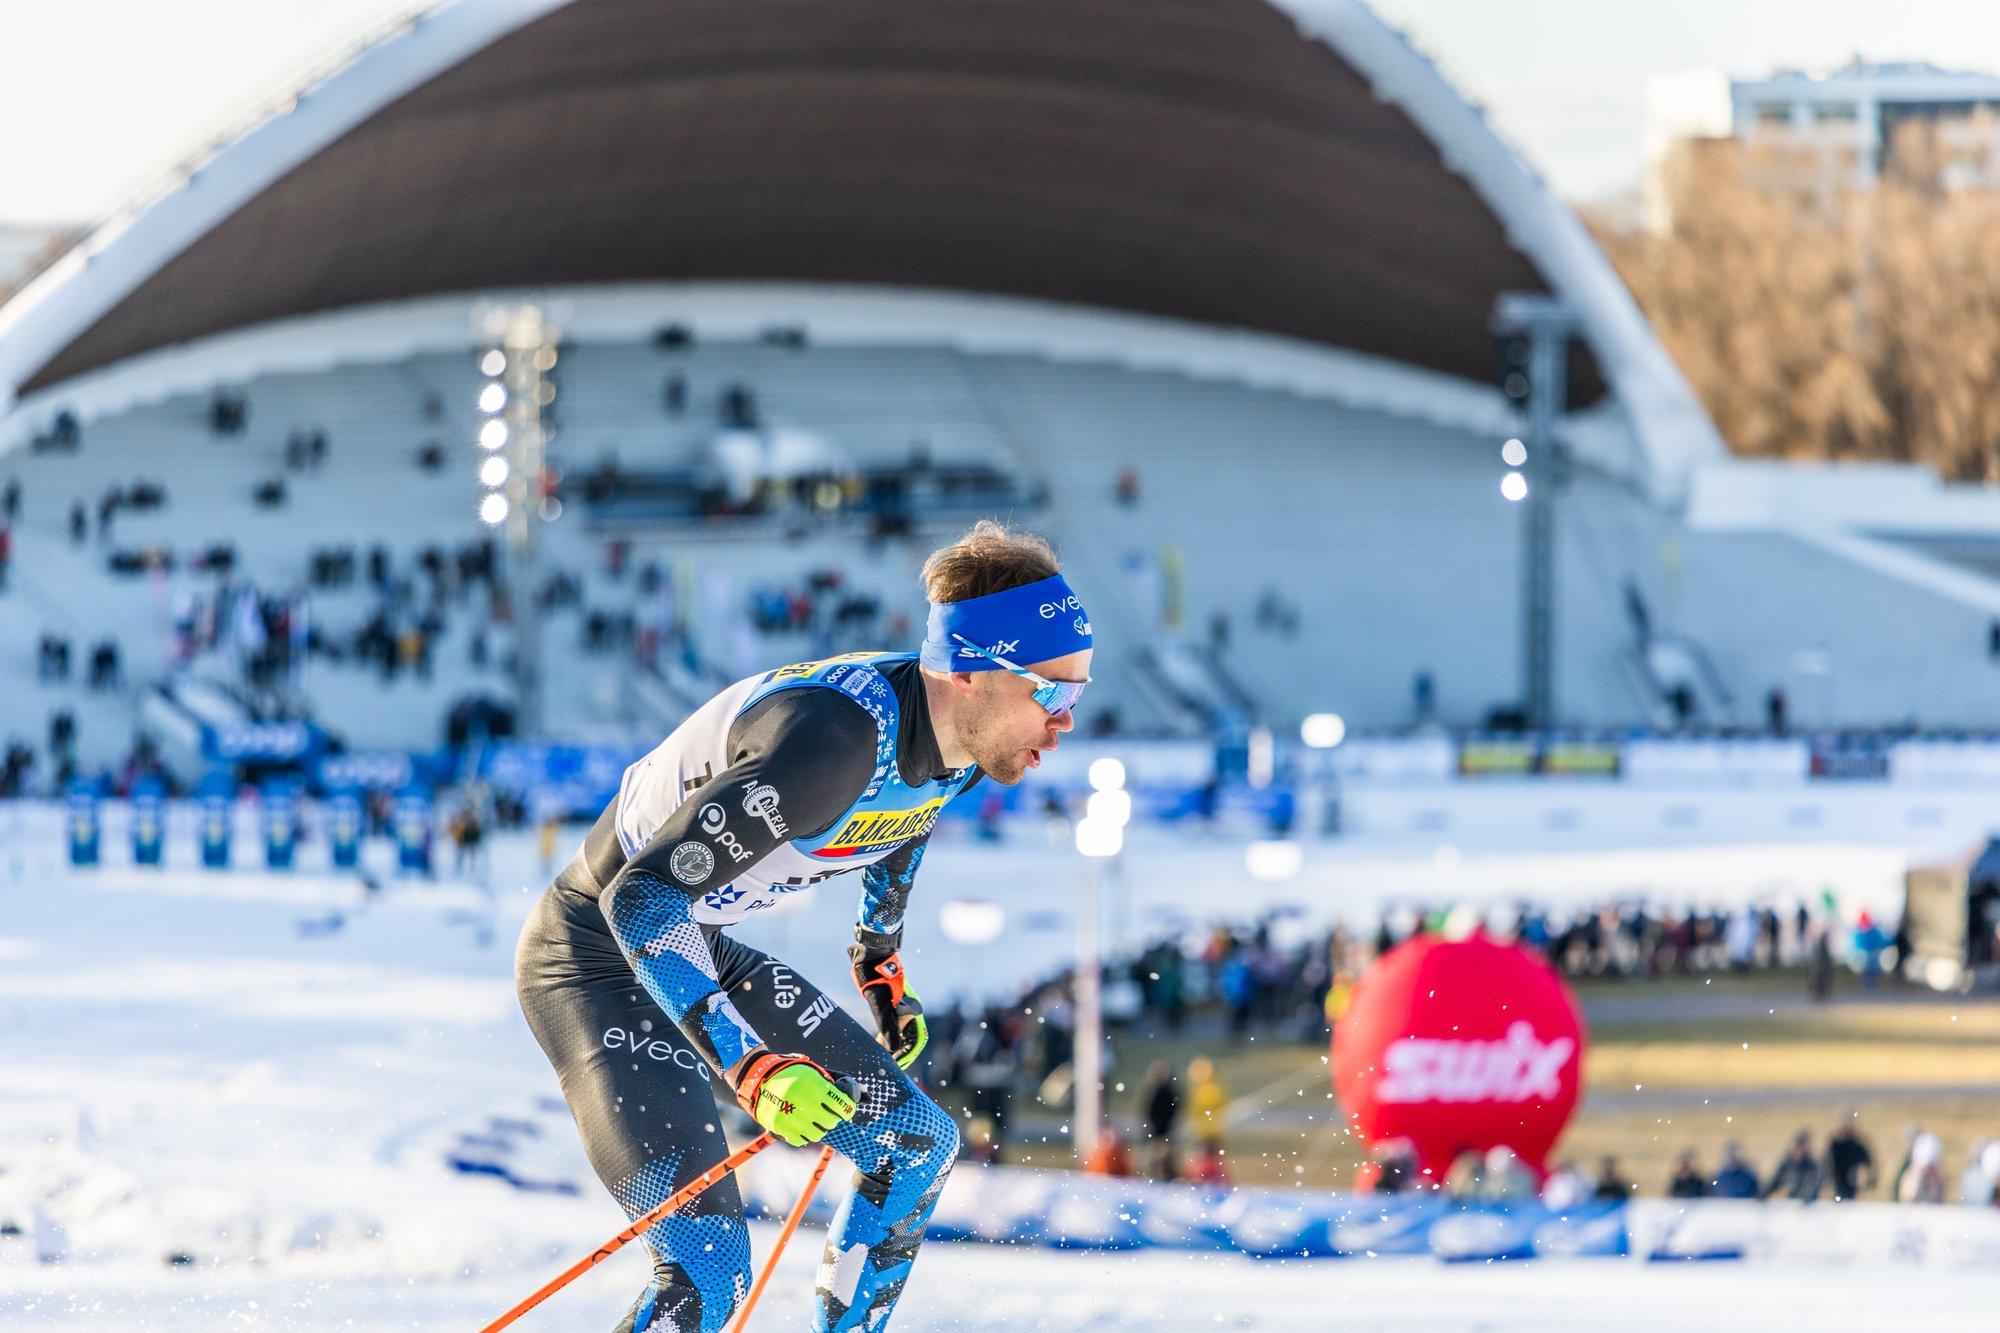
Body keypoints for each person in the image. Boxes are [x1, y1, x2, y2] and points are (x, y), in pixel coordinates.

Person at [514, 520, 1092, 1333]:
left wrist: (878, 960)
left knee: (913, 1147)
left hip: (693, 942)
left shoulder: (959, 747)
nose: (1066, 721)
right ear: (971, 671)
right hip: (595, 956)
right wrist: (754, 1068)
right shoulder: (832, 743)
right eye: (1053, 693)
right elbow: (638, 899)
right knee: (708, 1275)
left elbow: (906, 820)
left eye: (1079, 693)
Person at [1135, 1059, 1181, 1182]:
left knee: (1164, 1165)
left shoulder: (1170, 1091)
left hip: (1165, 1135)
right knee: (1155, 1166)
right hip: (1156, 1135)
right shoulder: (1153, 1091)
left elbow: (1174, 1113)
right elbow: (1147, 1113)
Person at [1764, 1131, 1824, 1202]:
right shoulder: (1787, 1163)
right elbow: (1775, 1182)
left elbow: (1814, 1185)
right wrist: (1764, 1194)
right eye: (1799, 1146)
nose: (1800, 1149)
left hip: (1807, 1204)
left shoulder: (1812, 1166)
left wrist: (1808, 1197)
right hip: (1792, 1202)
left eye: (1803, 1146)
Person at [1827, 1120, 1877, 1201]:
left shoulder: (1857, 1146)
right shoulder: (1834, 1146)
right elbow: (1828, 1165)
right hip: (1837, 1187)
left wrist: (1866, 1180)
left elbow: (1867, 1164)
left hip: (1853, 1188)